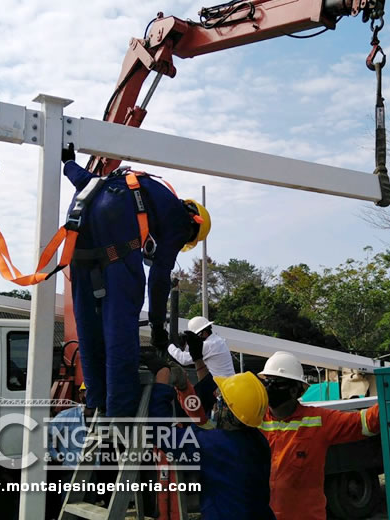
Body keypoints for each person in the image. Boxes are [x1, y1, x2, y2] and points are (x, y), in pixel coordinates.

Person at [62, 144, 211, 417]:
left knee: (89, 329)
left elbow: (84, 180)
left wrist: (68, 162)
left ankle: (94, 403)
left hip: (79, 238)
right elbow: (158, 280)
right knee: (120, 330)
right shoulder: (179, 222)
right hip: (115, 246)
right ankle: (119, 410)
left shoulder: (130, 185)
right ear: (194, 224)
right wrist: (157, 327)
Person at [147, 332, 276, 520]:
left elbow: (162, 434)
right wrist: (197, 362)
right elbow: (204, 423)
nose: (216, 403)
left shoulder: (215, 445)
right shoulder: (257, 441)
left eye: (220, 401)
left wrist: (162, 381)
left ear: (229, 411)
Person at [258, 351, 381, 520]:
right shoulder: (255, 419)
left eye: (277, 383)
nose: (270, 388)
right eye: (267, 382)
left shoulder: (318, 420)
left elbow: (364, 422)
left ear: (295, 391)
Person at [167, 316, 235, 377]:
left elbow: (184, 359)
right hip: (227, 382)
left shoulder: (209, 345)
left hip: (221, 385)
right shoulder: (217, 340)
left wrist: (169, 346)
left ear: (203, 333)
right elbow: (193, 352)